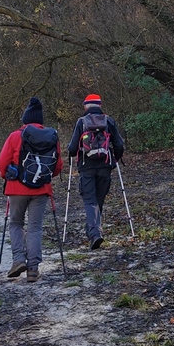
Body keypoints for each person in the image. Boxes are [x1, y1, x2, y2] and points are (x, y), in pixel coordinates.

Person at [0, 97, 64, 283]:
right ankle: (33, 270)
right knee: (35, 228)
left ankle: (18, 260)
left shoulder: (14, 136)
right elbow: (58, 166)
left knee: (16, 223)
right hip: (41, 190)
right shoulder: (51, 136)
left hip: (16, 189)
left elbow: (2, 162)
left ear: (25, 119)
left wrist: (6, 176)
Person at [67, 93, 124, 250]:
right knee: (98, 200)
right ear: (100, 105)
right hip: (105, 167)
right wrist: (114, 159)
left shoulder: (81, 122)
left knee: (90, 201)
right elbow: (119, 145)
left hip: (86, 167)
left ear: (86, 106)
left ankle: (94, 234)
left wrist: (71, 151)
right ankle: (94, 231)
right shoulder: (109, 121)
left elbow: (72, 149)